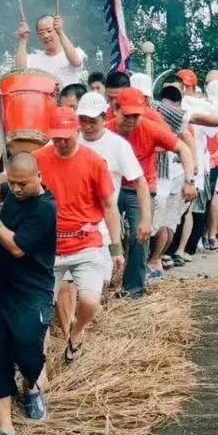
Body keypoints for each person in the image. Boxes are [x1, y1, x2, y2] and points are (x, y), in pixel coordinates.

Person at [0, 153, 57, 435]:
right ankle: (5, 427)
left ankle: (32, 386)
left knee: (29, 349)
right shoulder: (11, 191)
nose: (16, 189)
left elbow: (17, 247)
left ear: (39, 177)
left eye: (23, 183)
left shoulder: (45, 209)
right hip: (0, 288)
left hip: (32, 289)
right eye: (13, 182)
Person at [34, 107, 124, 360]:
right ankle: (37, 364)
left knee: (89, 301)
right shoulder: (38, 158)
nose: (61, 142)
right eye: (56, 137)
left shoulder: (94, 162)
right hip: (49, 245)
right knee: (38, 311)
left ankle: (78, 330)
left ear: (77, 130)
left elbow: (109, 206)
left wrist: (116, 248)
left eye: (66, 136)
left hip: (86, 243)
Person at [107, 88, 196, 283]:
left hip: (141, 189)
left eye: (136, 115)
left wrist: (190, 180)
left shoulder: (150, 127)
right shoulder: (106, 131)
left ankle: (134, 290)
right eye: (127, 115)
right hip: (111, 188)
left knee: (141, 235)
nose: (131, 120)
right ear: (115, 109)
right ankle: (106, 283)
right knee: (106, 235)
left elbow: (183, 149)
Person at [76, 91, 152, 299]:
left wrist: (145, 218)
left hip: (102, 222)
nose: (87, 126)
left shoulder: (118, 146)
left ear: (104, 117)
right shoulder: (69, 139)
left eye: (93, 121)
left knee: (97, 281)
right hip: (70, 221)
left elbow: (140, 183)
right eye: (83, 120)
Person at [15, 14, 86, 86]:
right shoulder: (33, 58)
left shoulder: (75, 52)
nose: (45, 36)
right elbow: (20, 73)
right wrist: (23, 39)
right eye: (41, 33)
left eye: (49, 31)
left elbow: (76, 62)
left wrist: (60, 32)